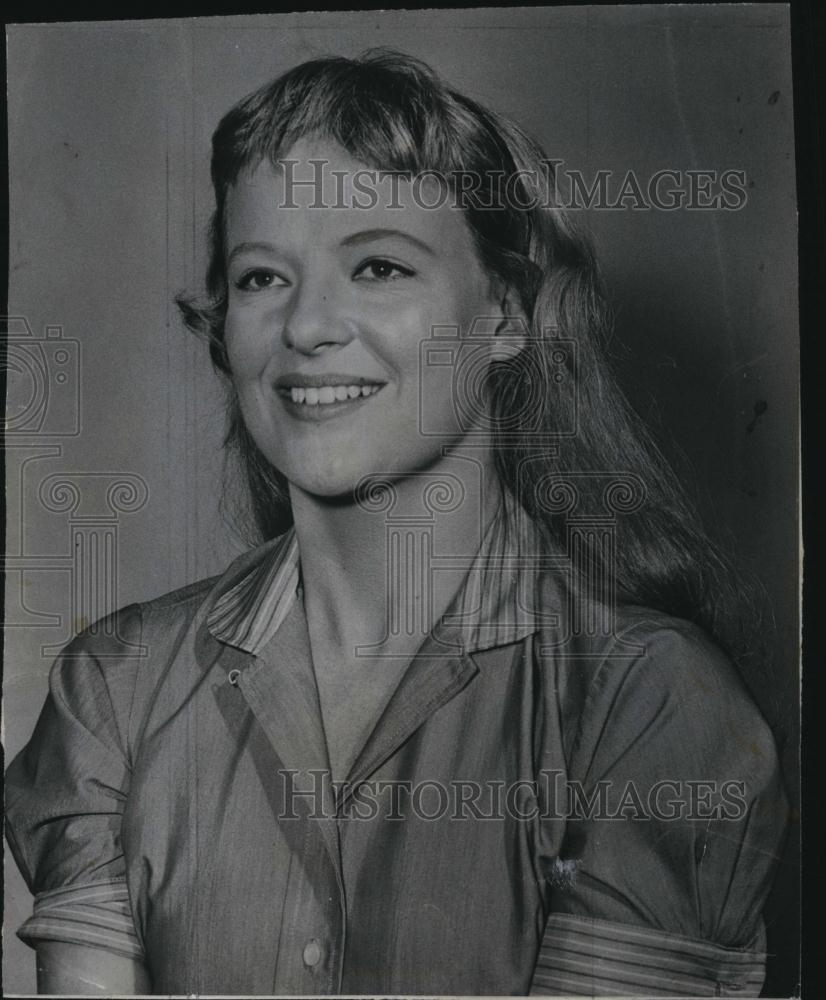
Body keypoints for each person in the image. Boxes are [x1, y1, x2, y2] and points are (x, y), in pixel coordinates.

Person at [5, 50, 788, 997]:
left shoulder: (647, 702)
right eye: (261, 279)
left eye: (378, 265)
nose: (307, 327)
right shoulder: (115, 692)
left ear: (508, 310)